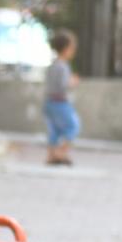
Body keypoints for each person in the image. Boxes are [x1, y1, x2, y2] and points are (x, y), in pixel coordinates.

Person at [44, 30, 80, 165]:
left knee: (55, 130)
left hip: (49, 102)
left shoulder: (52, 65)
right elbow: (63, 85)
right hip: (60, 102)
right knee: (73, 126)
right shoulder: (63, 66)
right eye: (72, 48)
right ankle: (60, 153)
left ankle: (51, 156)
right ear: (66, 49)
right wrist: (73, 81)